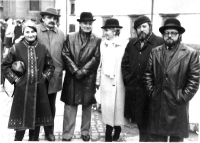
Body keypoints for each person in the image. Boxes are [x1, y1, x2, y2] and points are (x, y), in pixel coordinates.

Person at [143, 18, 200, 142]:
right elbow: (148, 74)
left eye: (173, 33)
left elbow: (194, 80)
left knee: (176, 138)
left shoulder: (190, 54)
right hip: (158, 103)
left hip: (178, 105)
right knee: (157, 138)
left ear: (179, 35)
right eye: (167, 33)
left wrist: (182, 97)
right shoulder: (155, 52)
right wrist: (152, 93)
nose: (169, 36)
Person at [1, 20, 55, 141]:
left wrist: (44, 78)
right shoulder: (16, 48)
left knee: (36, 123)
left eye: (32, 32)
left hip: (39, 90)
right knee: (20, 124)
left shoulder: (42, 48)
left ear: (36, 33)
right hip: (22, 91)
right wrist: (15, 80)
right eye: (27, 32)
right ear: (23, 33)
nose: (30, 34)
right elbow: (4, 65)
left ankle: (34, 139)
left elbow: (50, 66)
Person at [121, 15, 164, 142]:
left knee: (152, 126)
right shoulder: (132, 43)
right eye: (138, 27)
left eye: (144, 26)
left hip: (152, 92)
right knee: (141, 125)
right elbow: (125, 64)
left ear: (150, 27)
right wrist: (128, 79)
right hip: (135, 91)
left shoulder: (159, 42)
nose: (141, 29)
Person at [61, 12, 101, 141]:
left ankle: (85, 132)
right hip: (72, 78)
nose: (87, 26)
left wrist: (83, 72)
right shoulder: (70, 37)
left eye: (90, 23)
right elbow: (65, 54)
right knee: (69, 107)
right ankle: (67, 134)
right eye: (85, 23)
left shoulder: (97, 39)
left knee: (87, 107)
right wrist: (75, 70)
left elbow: (96, 58)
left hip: (88, 78)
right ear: (80, 23)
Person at [96, 18, 128, 142]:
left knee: (119, 108)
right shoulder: (102, 45)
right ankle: (108, 130)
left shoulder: (124, 44)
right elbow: (100, 64)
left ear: (115, 31)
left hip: (120, 82)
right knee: (108, 108)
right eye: (104, 31)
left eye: (107, 30)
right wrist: (98, 81)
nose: (105, 33)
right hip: (106, 81)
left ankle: (118, 128)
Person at [36, 7, 65, 141]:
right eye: (49, 17)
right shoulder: (35, 31)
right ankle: (34, 131)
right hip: (37, 75)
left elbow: (64, 54)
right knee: (36, 103)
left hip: (54, 75)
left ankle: (49, 131)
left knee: (50, 105)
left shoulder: (60, 34)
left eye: (54, 18)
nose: (52, 20)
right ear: (43, 18)